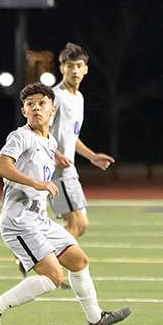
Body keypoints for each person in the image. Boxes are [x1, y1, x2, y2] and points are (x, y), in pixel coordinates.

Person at [0, 82, 130, 325]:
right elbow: (0, 166)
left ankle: (96, 319)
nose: (36, 108)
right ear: (24, 111)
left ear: (52, 109)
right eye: (30, 104)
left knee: (79, 261)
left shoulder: (50, 141)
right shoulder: (21, 136)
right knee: (53, 277)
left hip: (39, 220)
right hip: (21, 223)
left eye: (41, 103)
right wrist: (35, 184)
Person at [48, 42, 114, 239]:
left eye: (78, 66)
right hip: (54, 169)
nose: (75, 70)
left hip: (68, 168)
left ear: (85, 69)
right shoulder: (55, 96)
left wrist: (92, 156)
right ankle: (37, 257)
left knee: (80, 226)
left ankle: (35, 250)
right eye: (70, 66)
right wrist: (55, 153)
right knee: (75, 224)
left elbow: (71, 137)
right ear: (62, 69)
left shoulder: (78, 98)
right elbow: (38, 132)